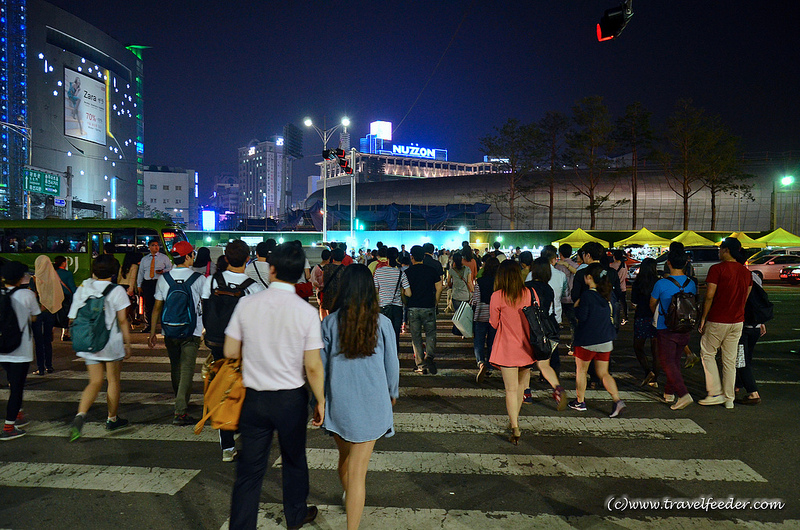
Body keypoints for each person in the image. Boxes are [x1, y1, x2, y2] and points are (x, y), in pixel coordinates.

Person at [225, 242, 325, 530]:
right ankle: (295, 515)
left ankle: (242, 526)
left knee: (250, 471)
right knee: (294, 460)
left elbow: (231, 351)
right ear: (299, 274)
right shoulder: (305, 312)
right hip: (291, 400)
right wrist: (320, 400)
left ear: (271, 270)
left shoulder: (248, 303)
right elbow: (313, 366)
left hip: (254, 399)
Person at [321, 265, 400, 529]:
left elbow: (320, 367)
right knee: (358, 472)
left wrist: (318, 401)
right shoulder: (383, 322)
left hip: (338, 403)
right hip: (372, 403)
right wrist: (393, 392)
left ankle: (350, 496)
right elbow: (392, 364)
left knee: (345, 461)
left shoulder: (330, 322)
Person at [490, 260, 566, 445]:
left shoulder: (498, 296)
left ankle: (514, 426)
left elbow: (493, 323)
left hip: (507, 348)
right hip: (527, 348)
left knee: (510, 389)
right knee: (521, 388)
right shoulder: (530, 293)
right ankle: (514, 420)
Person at [201, 240, 263, 460]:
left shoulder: (210, 282)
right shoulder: (253, 288)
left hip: (217, 344)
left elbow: (204, 311)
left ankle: (227, 446)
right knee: (246, 392)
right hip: (243, 348)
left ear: (226, 258)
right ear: (248, 258)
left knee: (223, 392)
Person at [68, 255, 132, 441]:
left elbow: (72, 317)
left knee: (94, 381)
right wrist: (128, 343)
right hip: (110, 343)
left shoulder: (83, 288)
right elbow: (122, 320)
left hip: (89, 341)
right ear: (114, 272)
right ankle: (112, 418)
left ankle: (80, 416)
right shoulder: (117, 290)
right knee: (113, 380)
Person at [148, 241, 203, 426]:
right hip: (191, 330)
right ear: (187, 257)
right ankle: (180, 410)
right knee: (187, 369)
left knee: (176, 367)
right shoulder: (199, 278)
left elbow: (157, 307)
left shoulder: (164, 279)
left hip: (169, 329)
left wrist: (152, 331)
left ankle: (182, 400)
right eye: (192, 254)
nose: (193, 257)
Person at [698, 238, 753, 409]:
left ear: (726, 250)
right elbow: (745, 298)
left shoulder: (717, 269)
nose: (719, 251)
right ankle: (729, 398)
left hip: (718, 318)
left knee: (707, 353)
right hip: (737, 320)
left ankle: (715, 393)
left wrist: (703, 318)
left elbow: (709, 296)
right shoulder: (746, 272)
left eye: (720, 248)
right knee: (730, 360)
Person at [569, 263, 625, 417]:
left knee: (581, 370)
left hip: (587, 340)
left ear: (589, 278)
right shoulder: (607, 294)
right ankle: (617, 400)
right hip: (606, 339)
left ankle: (580, 401)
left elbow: (582, 317)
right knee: (604, 373)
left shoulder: (587, 295)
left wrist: (576, 306)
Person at [650, 250, 697, 410]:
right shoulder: (691, 283)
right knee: (675, 361)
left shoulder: (661, 283)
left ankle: (683, 394)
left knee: (667, 362)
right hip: (685, 327)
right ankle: (669, 393)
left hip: (666, 327)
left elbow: (652, 304)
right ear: (685, 263)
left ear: (668, 263)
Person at [1, 261, 40, 440]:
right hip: (20, 349)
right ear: (20, 278)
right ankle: (9, 427)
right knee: (16, 388)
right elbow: (34, 316)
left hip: (2, 348)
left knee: (11, 381)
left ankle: (17, 414)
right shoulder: (27, 294)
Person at [405, 245, 443, 375]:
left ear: (412, 257)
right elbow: (439, 287)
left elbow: (403, 291)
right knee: (431, 333)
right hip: (428, 306)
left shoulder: (407, 272)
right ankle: (430, 356)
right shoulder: (431, 270)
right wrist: (436, 302)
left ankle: (421, 365)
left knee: (416, 337)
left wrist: (406, 303)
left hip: (413, 307)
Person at [735, 264, 766, 405]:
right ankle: (737, 385)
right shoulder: (754, 277)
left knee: (741, 359)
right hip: (755, 326)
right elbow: (760, 301)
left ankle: (753, 392)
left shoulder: (737, 276)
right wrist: (762, 322)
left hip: (742, 325)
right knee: (746, 357)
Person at [30, 255, 64, 375]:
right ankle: (49, 366)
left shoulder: (34, 279)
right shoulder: (53, 278)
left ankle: (40, 368)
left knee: (38, 341)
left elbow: (32, 295)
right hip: (50, 312)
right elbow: (59, 294)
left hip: (37, 312)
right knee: (47, 340)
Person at [630, 258, 660, 387]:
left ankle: (647, 371)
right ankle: (655, 378)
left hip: (641, 316)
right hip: (656, 317)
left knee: (638, 346)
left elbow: (634, 301)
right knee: (656, 349)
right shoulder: (658, 282)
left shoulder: (638, 283)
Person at [373, 247, 410, 352]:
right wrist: (401, 291)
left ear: (387, 257)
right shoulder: (400, 273)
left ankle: (382, 356)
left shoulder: (378, 272)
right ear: (397, 257)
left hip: (382, 307)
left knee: (382, 334)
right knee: (395, 335)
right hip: (397, 308)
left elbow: (375, 291)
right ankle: (394, 356)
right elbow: (409, 293)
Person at [137, 240, 172, 333]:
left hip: (159, 282)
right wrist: (139, 285)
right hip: (148, 283)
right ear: (149, 247)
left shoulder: (164, 258)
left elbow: (170, 268)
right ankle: (148, 325)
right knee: (148, 305)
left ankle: (164, 325)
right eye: (153, 245)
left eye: (157, 245)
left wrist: (163, 271)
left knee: (162, 304)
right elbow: (140, 273)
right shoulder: (145, 259)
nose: (156, 247)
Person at [472, 256, 498, 383]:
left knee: (479, 340)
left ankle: (481, 362)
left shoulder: (480, 281)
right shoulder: (500, 283)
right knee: (492, 341)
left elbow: (475, 300)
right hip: (495, 315)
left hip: (481, 314)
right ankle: (490, 365)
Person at [447, 251, 473, 335]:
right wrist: (473, 291)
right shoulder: (467, 269)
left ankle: (457, 330)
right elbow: (469, 282)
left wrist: (453, 284)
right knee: (465, 314)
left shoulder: (451, 271)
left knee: (457, 313)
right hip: (465, 295)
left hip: (456, 295)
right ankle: (465, 331)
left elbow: (448, 282)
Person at [54, 256, 77, 341]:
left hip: (55, 296)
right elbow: (72, 286)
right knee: (65, 315)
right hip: (65, 297)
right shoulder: (68, 274)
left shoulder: (54, 273)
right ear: (63, 263)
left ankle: (51, 332)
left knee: (56, 314)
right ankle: (65, 334)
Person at [118, 252, 142, 329]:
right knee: (128, 307)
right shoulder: (134, 266)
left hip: (121, 287)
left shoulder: (122, 266)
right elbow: (133, 278)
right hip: (128, 288)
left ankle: (133, 320)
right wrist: (131, 290)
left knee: (127, 306)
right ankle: (121, 324)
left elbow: (119, 278)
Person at [321, 248, 346, 318]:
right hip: (341, 296)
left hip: (329, 295)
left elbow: (323, 280)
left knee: (330, 315)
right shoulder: (345, 269)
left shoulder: (326, 268)